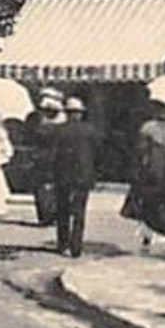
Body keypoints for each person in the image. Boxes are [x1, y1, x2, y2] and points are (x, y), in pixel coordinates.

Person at [123, 101, 165, 251]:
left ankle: (148, 236)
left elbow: (140, 152)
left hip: (152, 172)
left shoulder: (148, 128)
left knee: (149, 204)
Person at [52, 96, 101, 257]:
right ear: (80, 114)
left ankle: (62, 244)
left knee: (63, 211)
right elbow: (97, 154)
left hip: (62, 175)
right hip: (83, 175)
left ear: (66, 113)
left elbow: (53, 154)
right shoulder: (90, 131)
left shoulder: (58, 130)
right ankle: (76, 247)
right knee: (79, 213)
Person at [31, 89, 67, 229]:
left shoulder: (46, 122)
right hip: (50, 157)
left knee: (46, 187)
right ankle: (49, 214)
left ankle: (48, 215)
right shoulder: (57, 121)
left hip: (48, 157)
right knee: (47, 187)